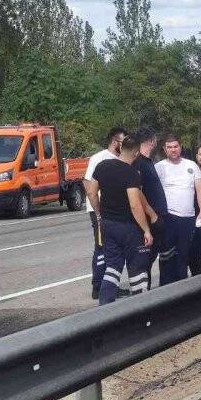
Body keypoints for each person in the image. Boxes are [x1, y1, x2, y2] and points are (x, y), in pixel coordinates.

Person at [87, 135, 153, 305]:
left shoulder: (102, 166)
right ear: (137, 153)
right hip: (129, 227)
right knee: (137, 269)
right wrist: (146, 229)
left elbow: (92, 192)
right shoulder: (131, 173)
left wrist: (99, 212)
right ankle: (140, 308)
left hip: (108, 225)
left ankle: (105, 307)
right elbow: (134, 205)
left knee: (112, 268)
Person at [155, 135, 201, 284]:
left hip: (188, 219)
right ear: (164, 149)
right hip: (168, 218)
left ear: (180, 147)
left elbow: (200, 189)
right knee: (168, 257)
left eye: (175, 146)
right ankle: (166, 288)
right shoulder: (159, 167)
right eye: (169, 147)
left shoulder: (191, 165)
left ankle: (183, 287)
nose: (173, 150)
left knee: (185, 255)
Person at [83, 127, 125, 299]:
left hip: (115, 211)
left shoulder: (122, 158)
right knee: (101, 247)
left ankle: (111, 285)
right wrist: (98, 211)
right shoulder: (99, 158)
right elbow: (87, 184)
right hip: (99, 210)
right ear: (115, 141)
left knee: (113, 249)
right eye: (124, 141)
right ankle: (98, 286)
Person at [132, 128, 166, 288]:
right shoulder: (138, 162)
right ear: (152, 141)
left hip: (158, 218)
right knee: (145, 260)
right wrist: (152, 216)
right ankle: (143, 296)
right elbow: (136, 193)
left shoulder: (148, 161)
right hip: (148, 219)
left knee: (152, 258)